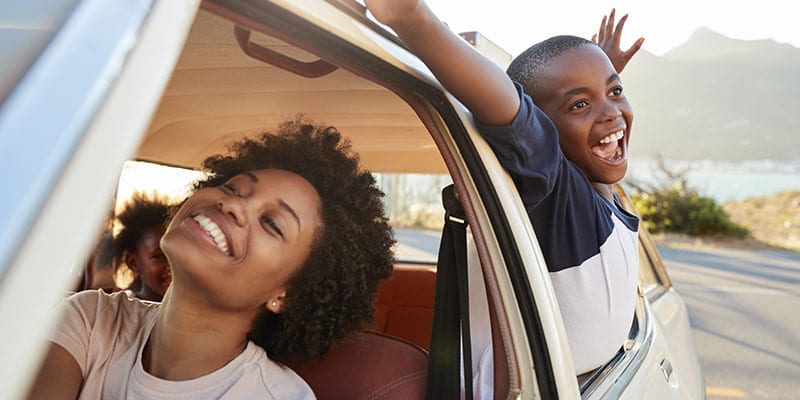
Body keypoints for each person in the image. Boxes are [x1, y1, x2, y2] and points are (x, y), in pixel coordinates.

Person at [365, 0, 644, 379]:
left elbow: (597, 164)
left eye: (616, 91)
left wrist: (595, 75)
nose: (612, 113)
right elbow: (515, 117)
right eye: (579, 103)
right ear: (540, 132)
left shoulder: (592, 189)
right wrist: (413, 20)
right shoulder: (553, 194)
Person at [27, 118, 395, 399]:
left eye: (271, 222)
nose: (233, 204)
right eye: (234, 187)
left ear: (289, 294)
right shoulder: (92, 318)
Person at [112, 192, 175, 302]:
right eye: (159, 256)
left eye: (177, 254)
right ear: (133, 263)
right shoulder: (122, 310)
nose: (173, 264)